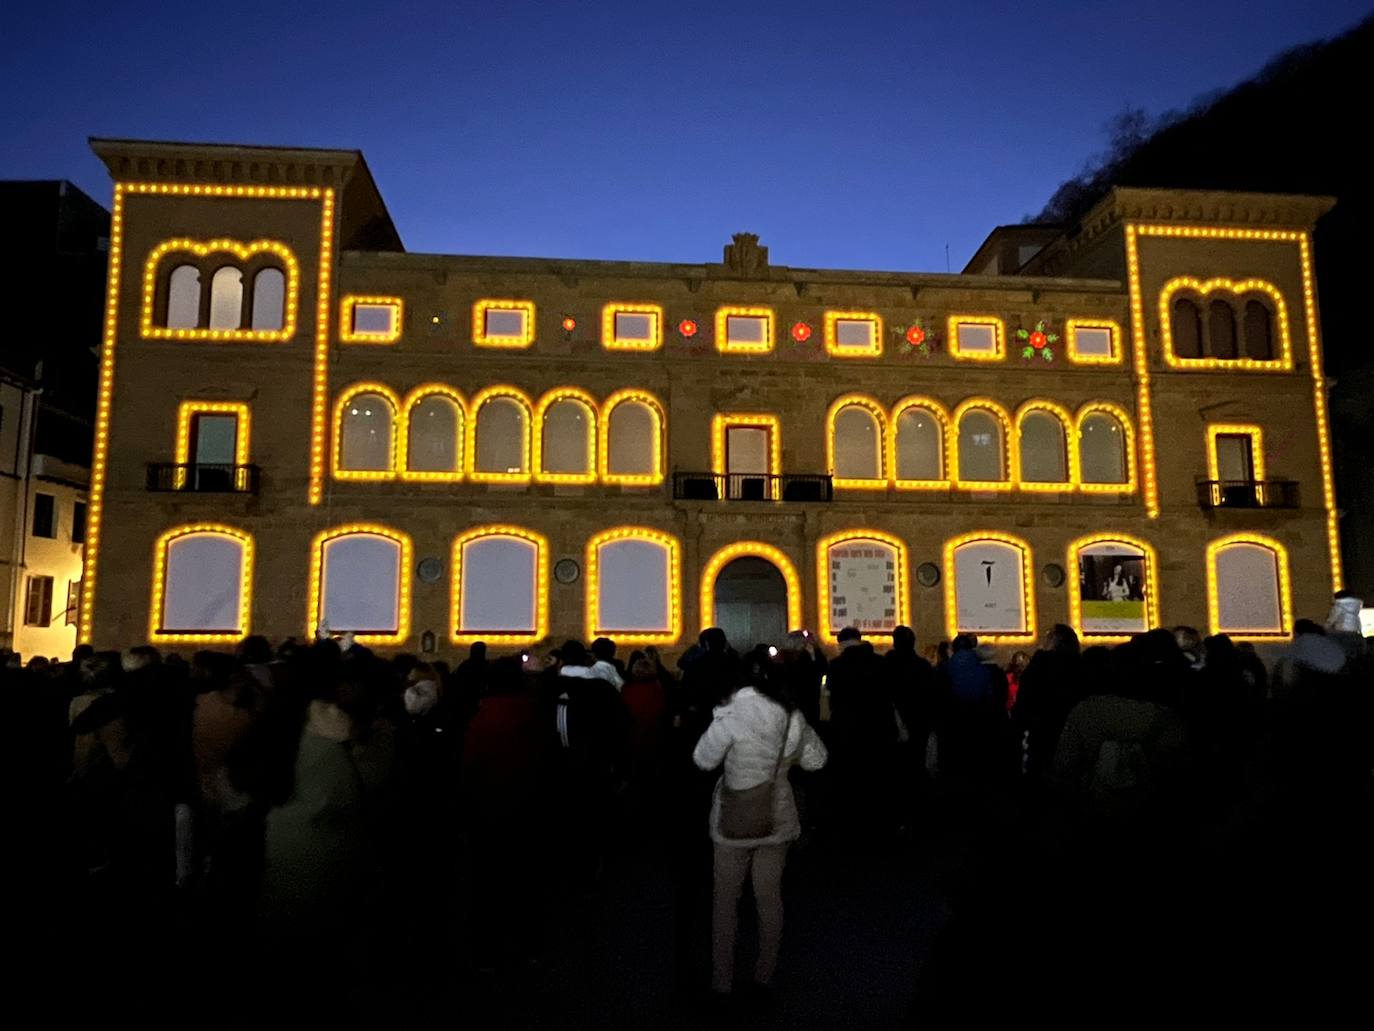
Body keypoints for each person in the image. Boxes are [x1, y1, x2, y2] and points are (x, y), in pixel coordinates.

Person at [692, 645, 827, 1002]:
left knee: (726, 902)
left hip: (733, 817)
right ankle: (763, 978)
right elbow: (816, 760)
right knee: (769, 898)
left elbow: (703, 759)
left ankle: (722, 981)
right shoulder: (791, 714)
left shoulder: (731, 714)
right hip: (777, 815)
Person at [1012, 624, 1082, 784]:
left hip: (1041, 738)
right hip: (1074, 741)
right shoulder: (1079, 667)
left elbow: (1023, 705)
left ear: (1054, 640)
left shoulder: (1038, 667)